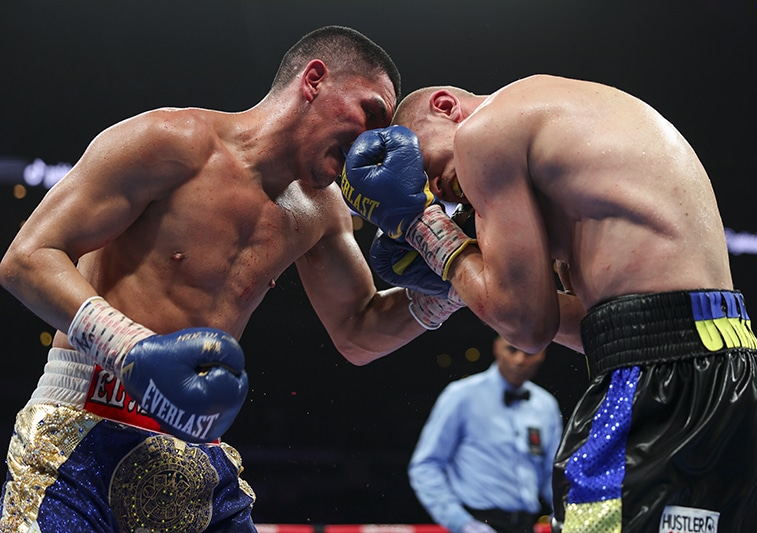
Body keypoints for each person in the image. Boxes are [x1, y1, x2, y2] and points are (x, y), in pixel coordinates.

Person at [0, 25, 435, 533]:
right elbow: (27, 258)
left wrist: (445, 287)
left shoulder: (322, 211)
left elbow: (359, 331)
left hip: (194, 453)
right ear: (314, 80)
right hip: (81, 427)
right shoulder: (169, 142)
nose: (374, 142)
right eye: (372, 113)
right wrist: (130, 349)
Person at [339, 76, 757, 532]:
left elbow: (526, 327)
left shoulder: (483, 133)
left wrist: (422, 226)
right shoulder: (569, 136)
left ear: (446, 106)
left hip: (662, 384)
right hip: (736, 371)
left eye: (421, 165)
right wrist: (464, 284)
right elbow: (597, 327)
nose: (431, 188)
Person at [408, 334, 562, 533]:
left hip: (526, 525)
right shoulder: (461, 396)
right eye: (512, 350)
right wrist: (460, 522)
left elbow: (553, 474)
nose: (520, 360)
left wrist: (563, 509)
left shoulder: (546, 405)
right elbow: (425, 465)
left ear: (542, 353)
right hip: (477, 520)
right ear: (497, 347)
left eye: (528, 353)